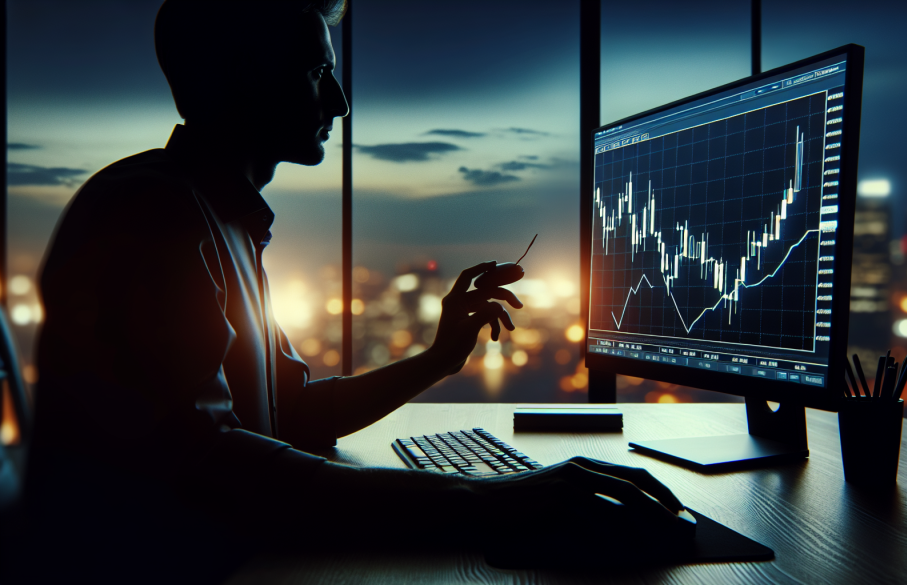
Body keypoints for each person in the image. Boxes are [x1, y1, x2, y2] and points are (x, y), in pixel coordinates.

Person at [18, 1, 692, 582]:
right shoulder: (155, 216)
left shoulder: (217, 217)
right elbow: (210, 462)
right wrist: (486, 498)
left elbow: (291, 413)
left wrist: (436, 359)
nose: (339, 101)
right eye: (316, 73)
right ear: (239, 79)